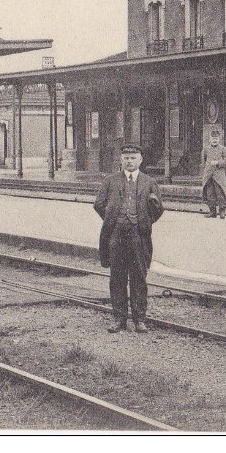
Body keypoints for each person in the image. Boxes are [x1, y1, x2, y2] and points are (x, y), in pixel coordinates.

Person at [93, 143, 164, 334]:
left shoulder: (149, 182)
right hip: (116, 237)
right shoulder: (110, 181)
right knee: (117, 278)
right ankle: (119, 319)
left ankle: (140, 319)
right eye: (126, 158)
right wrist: (113, 219)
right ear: (121, 160)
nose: (129, 161)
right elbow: (99, 204)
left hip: (139, 236)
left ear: (140, 160)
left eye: (133, 158)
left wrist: (144, 222)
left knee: (139, 277)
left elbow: (158, 210)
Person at [201, 130, 226, 218]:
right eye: (213, 138)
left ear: (219, 139)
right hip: (208, 176)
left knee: (220, 194)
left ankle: (222, 212)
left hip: (219, 176)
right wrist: (206, 170)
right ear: (209, 139)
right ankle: (212, 212)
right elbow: (203, 161)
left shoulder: (223, 149)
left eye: (216, 138)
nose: (215, 140)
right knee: (210, 194)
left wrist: (218, 162)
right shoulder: (206, 149)